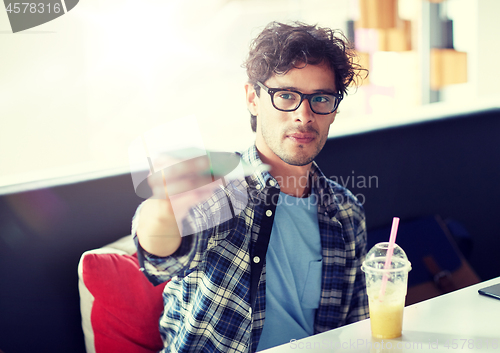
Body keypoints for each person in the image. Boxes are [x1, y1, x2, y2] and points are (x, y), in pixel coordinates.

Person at [132, 21, 369, 353]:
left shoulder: (345, 212)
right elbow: (160, 259)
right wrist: (163, 206)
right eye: (285, 95)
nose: (304, 115)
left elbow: (356, 328)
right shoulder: (225, 185)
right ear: (253, 99)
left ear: (334, 110)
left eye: (320, 98)